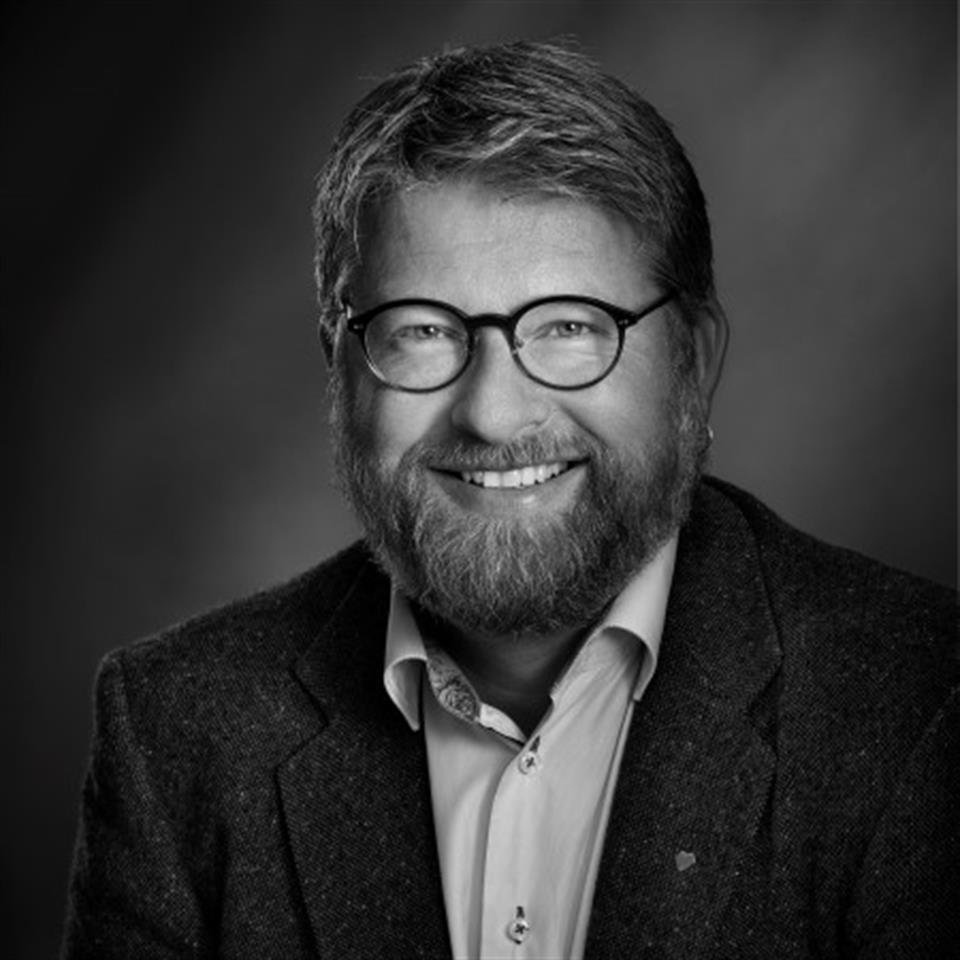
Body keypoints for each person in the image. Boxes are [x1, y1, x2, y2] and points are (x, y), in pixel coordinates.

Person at [62, 40, 957, 959]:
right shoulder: (179, 730)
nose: (493, 416)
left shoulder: (918, 704)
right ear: (340, 370)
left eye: (571, 326)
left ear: (691, 362)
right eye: (422, 331)